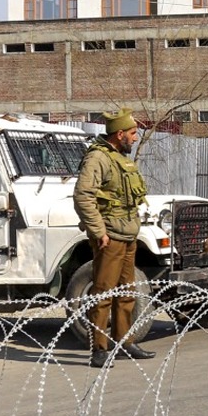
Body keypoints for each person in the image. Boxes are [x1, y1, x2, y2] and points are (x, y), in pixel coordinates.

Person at [73, 108, 154, 366]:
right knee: (103, 293)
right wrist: (99, 232)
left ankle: (125, 342)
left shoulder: (119, 157)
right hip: (110, 237)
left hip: (128, 233)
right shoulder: (98, 158)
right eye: (132, 133)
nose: (135, 138)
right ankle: (99, 349)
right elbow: (83, 195)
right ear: (119, 134)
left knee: (126, 292)